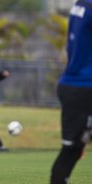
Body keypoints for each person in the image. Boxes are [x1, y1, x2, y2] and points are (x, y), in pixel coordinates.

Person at [50, 0, 92, 183]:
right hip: (85, 87)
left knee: (71, 151)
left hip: (74, 85)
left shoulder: (81, 4)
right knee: (71, 151)